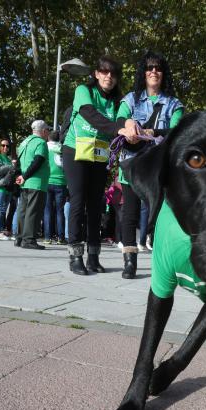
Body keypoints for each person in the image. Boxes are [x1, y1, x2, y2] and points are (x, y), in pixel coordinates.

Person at [62, 57, 134, 274]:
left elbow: (123, 120)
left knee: (96, 205)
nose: (108, 77)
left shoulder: (118, 102)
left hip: (100, 155)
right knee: (78, 202)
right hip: (75, 151)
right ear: (96, 74)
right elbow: (89, 114)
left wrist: (128, 127)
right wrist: (117, 130)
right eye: (104, 72)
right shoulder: (84, 91)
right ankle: (75, 257)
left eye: (113, 74)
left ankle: (93, 256)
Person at [116, 51, 184, 278]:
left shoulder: (174, 104)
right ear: (143, 73)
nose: (153, 72)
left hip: (160, 167)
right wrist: (127, 125)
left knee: (161, 215)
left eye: (158, 68)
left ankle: (163, 262)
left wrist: (154, 132)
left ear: (164, 74)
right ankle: (129, 262)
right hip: (131, 165)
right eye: (149, 68)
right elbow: (118, 121)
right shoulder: (130, 99)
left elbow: (176, 132)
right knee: (130, 214)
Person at [14, 120, 51, 250]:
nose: (48, 133)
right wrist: (25, 176)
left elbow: (18, 163)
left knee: (23, 210)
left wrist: (20, 176)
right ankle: (29, 240)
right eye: (47, 130)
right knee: (33, 211)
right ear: (43, 131)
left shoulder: (24, 142)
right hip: (36, 182)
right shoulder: (41, 143)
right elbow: (38, 161)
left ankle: (19, 238)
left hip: (25, 183)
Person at [44, 130, 67, 244]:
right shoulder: (63, 149)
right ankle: (61, 237)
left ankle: (47, 238)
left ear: (48, 138)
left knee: (47, 210)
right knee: (60, 211)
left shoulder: (45, 148)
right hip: (61, 182)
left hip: (47, 181)